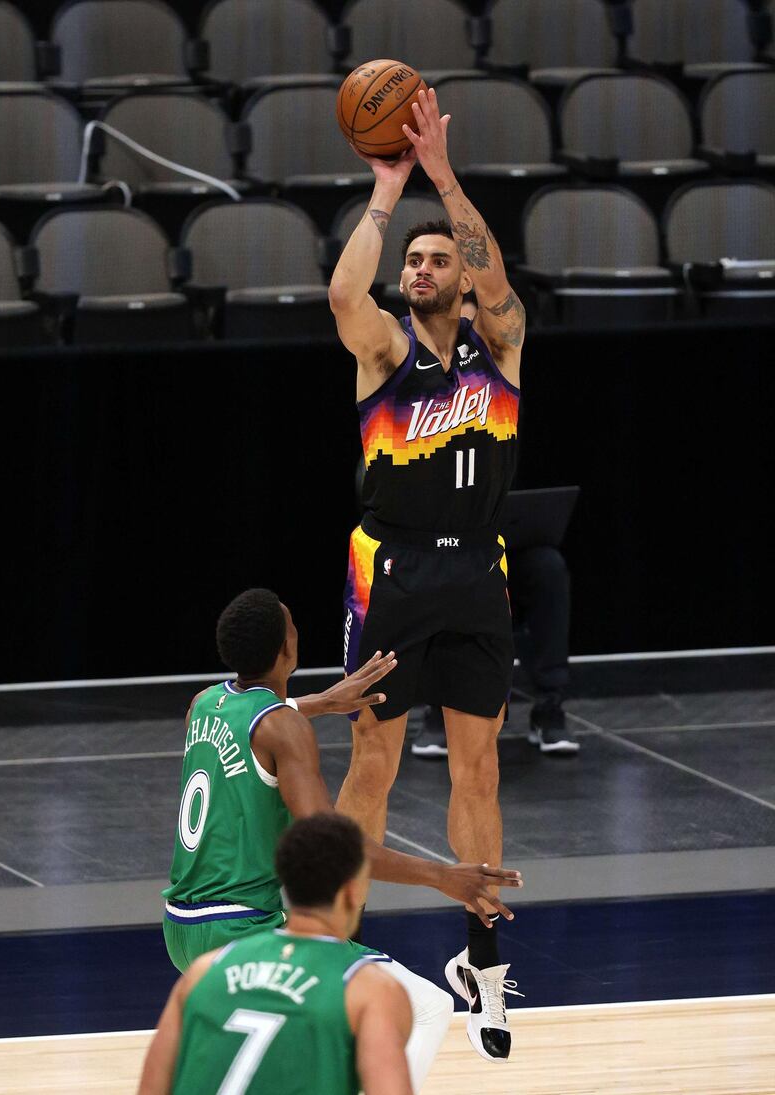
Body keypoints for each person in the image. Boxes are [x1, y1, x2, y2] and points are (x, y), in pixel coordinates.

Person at [328, 88, 525, 1060]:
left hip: (475, 578)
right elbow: (339, 295)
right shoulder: (381, 350)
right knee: (374, 762)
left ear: (462, 279)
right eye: (411, 259)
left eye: (434, 257)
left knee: (479, 769)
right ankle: (340, 949)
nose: (419, 267)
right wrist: (386, 189)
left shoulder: (499, 348)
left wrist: (444, 181)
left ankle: (481, 966)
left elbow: (498, 279)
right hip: (394, 575)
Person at [162, 587, 523, 1088]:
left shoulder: (202, 705)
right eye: (290, 623)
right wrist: (444, 877)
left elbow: (258, 720)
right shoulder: (285, 729)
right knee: (427, 1009)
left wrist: (319, 703)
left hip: (180, 927)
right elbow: (334, 853)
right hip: (243, 928)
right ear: (286, 649)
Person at [138, 813, 413, 1095]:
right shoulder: (370, 990)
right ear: (353, 892)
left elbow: (150, 1090)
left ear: (285, 882)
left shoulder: (203, 971)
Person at [413, 541, 578, 756]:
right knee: (446, 567)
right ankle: (440, 709)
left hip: (517, 550)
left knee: (549, 566)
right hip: (459, 547)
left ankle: (549, 706)